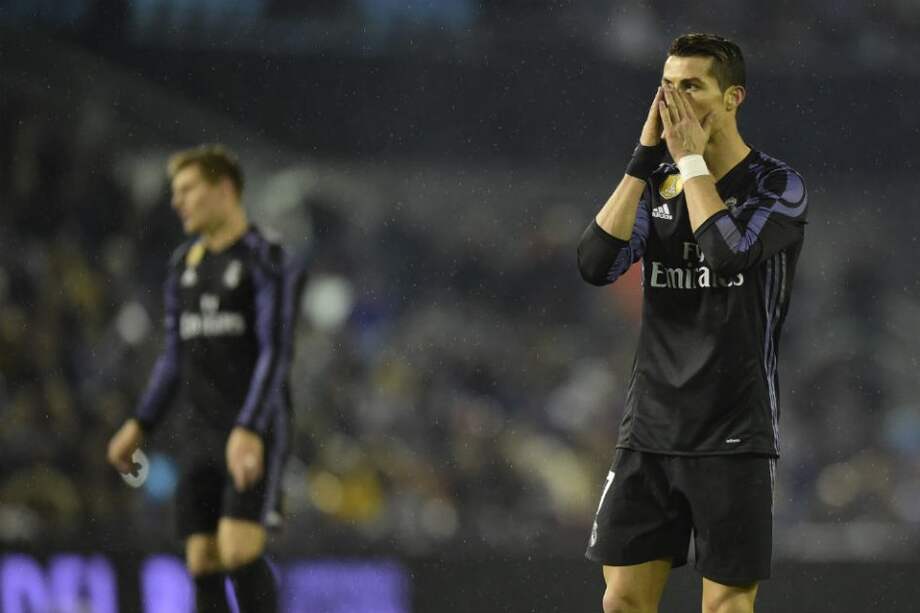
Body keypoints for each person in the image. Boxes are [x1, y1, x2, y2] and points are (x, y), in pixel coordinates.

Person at [577, 34, 807, 613]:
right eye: (668, 85)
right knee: (621, 600)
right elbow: (595, 265)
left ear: (733, 98)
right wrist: (641, 161)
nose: (672, 100)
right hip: (650, 426)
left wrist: (692, 161)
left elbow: (727, 252)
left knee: (725, 605)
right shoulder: (657, 183)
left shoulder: (777, 187)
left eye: (692, 87)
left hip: (733, 431)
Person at [107, 145, 303, 613]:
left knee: (238, 552)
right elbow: (174, 358)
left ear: (224, 190)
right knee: (202, 561)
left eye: (188, 189)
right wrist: (139, 424)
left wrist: (250, 428)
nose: (178, 202)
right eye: (175, 192)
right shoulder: (183, 267)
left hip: (254, 429)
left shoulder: (265, 257)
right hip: (197, 432)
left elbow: (276, 351)